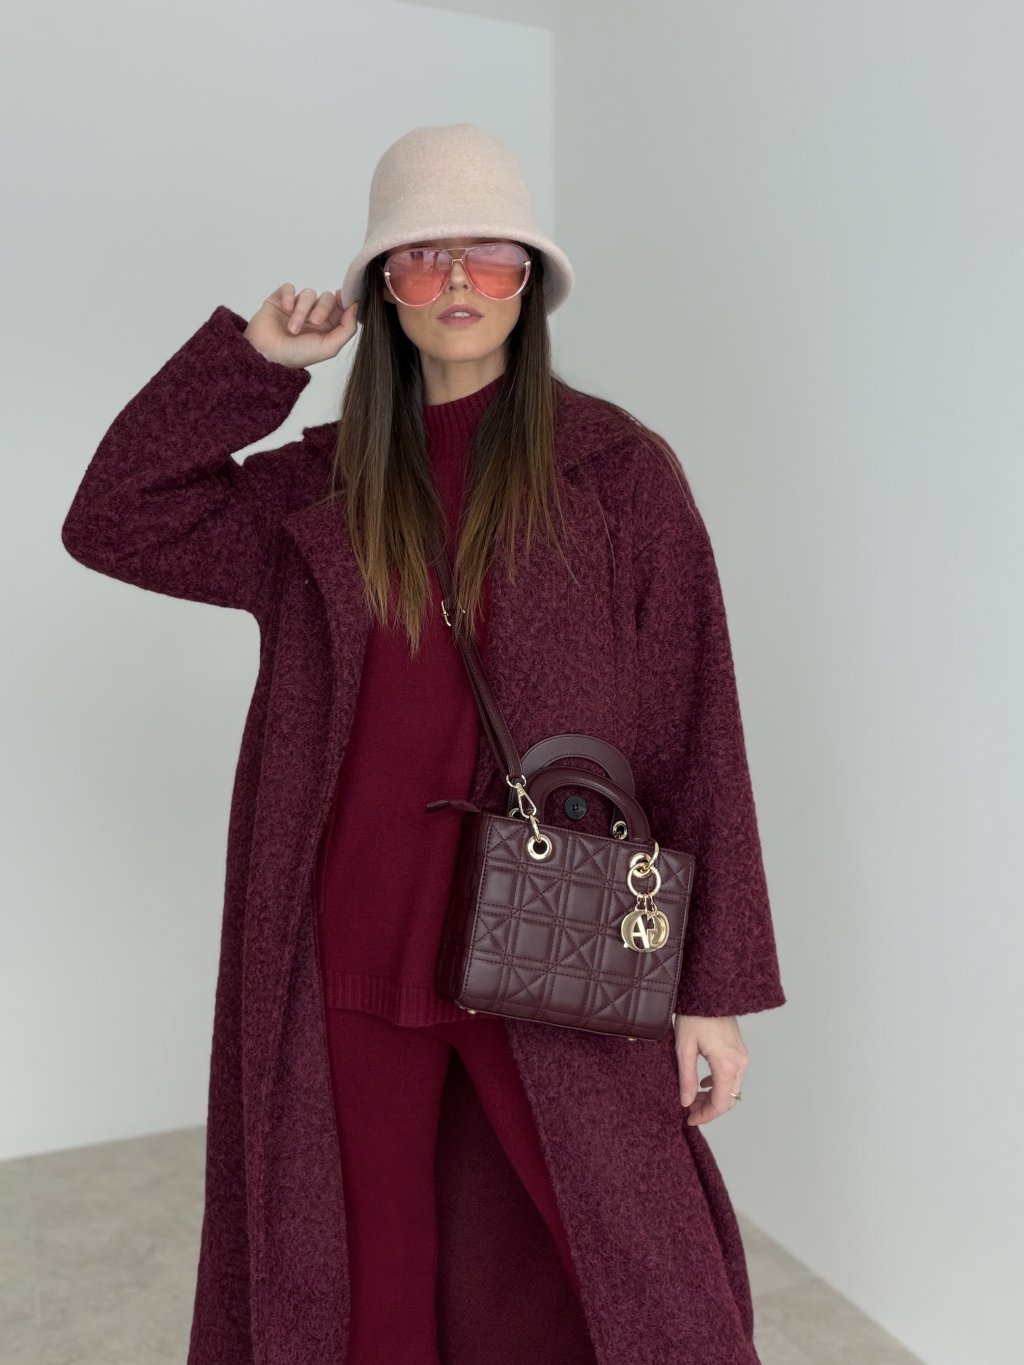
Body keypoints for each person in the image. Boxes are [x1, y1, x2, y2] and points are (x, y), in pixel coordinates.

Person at [61, 124, 786, 1365]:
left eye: (488, 256)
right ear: (382, 289)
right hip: (342, 940)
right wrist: (254, 365)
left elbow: (692, 728)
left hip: (555, 941)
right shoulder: (320, 486)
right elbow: (115, 517)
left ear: (528, 284)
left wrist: (712, 989)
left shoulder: (618, 476)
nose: (456, 281)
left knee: (632, 1269)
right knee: (361, 1278)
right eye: (419, 257)